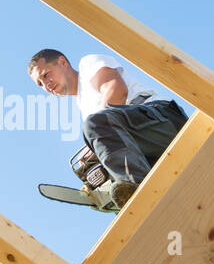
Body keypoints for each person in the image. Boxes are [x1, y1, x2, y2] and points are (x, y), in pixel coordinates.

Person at [27, 48, 187, 207]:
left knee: (94, 125)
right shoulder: (84, 106)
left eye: (46, 75)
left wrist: (95, 145)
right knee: (111, 173)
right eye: (40, 84)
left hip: (162, 120)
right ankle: (126, 195)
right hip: (149, 147)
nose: (46, 85)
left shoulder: (87, 65)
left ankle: (135, 191)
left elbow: (116, 89)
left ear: (62, 62)